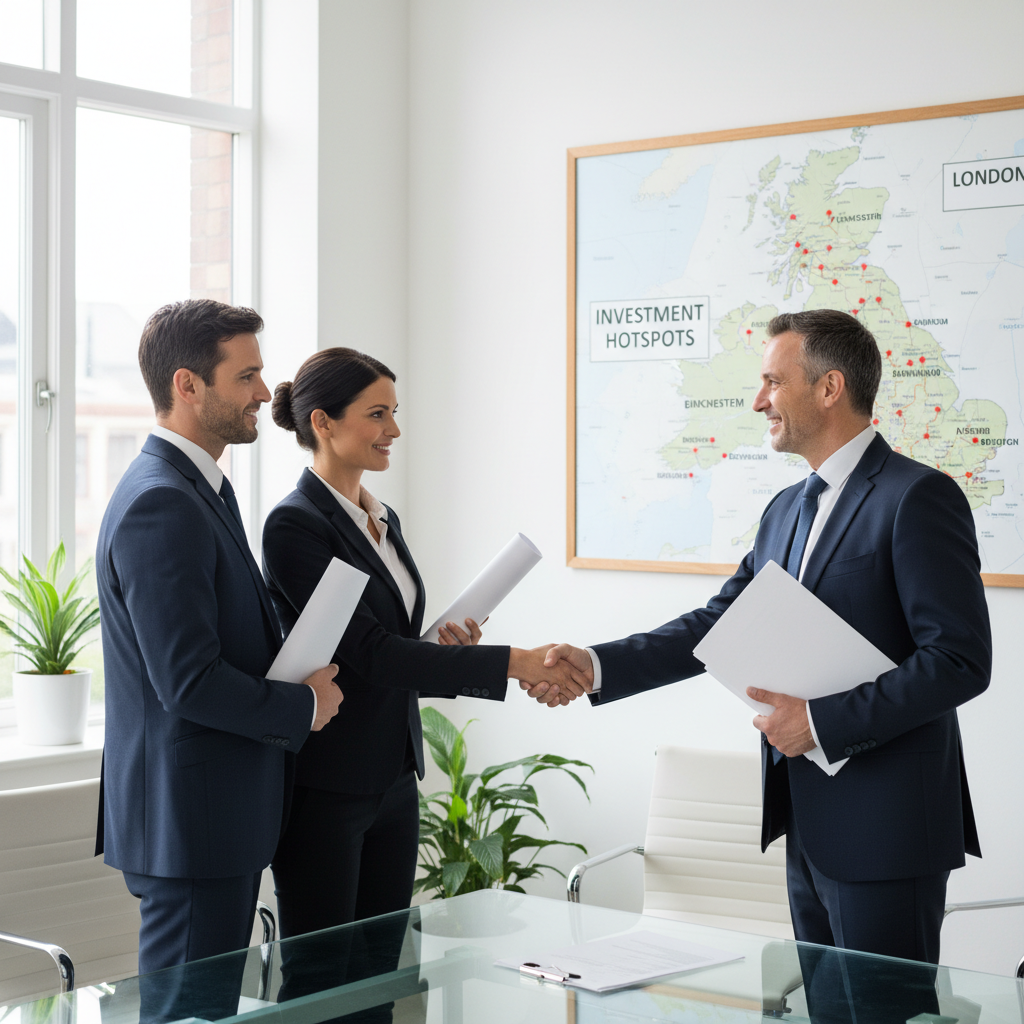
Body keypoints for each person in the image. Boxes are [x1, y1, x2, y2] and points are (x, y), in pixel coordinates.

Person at [527, 308, 991, 966]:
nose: (758, 400)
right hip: (806, 826)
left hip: (889, 830)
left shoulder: (918, 498)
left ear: (829, 388)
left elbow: (958, 660)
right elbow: (716, 624)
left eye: (774, 382)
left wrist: (822, 723)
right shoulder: (785, 510)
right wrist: (596, 665)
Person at [262, 347, 583, 941]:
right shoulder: (295, 526)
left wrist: (448, 644)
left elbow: (397, 641)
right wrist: (514, 663)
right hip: (328, 785)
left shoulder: (382, 519)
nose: (395, 430)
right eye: (378, 414)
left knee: (383, 968)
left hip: (392, 775)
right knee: (323, 979)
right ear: (322, 423)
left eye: (394, 412)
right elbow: (373, 653)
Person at [95, 300, 344, 976]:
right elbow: (188, 680)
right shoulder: (162, 502)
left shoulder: (200, 488)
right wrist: (302, 706)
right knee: (191, 1016)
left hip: (212, 818)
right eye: (247, 376)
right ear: (187, 385)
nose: (266, 392)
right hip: (192, 824)